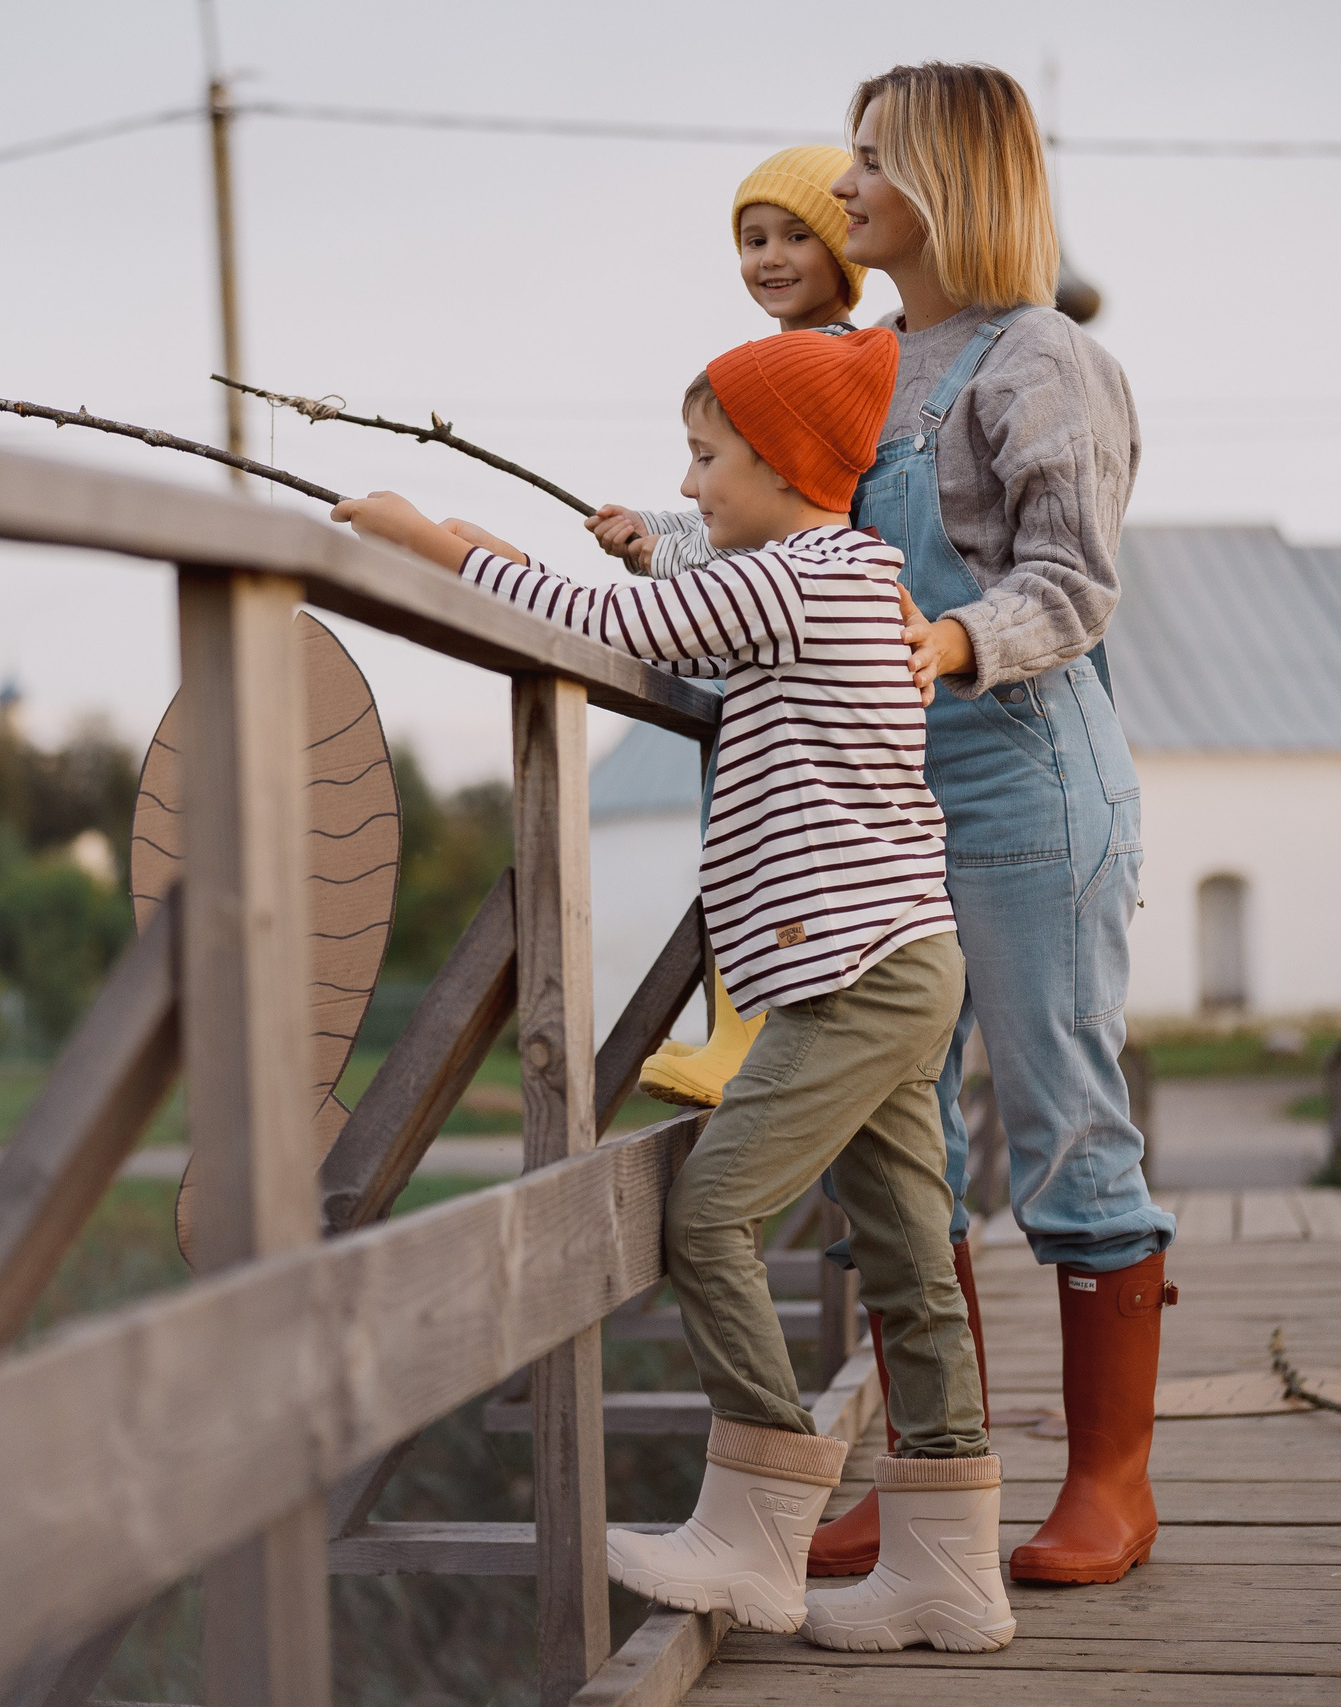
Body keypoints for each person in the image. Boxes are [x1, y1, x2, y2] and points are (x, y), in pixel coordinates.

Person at [333, 328, 1014, 1653]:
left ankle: (756, 1525)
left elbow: (610, 622)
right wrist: (509, 549)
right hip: (888, 964)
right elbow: (657, 606)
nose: (690, 484)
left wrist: (432, 543)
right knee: (908, 1263)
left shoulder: (794, 582)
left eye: (706, 457)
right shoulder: (851, 577)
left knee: (709, 1210)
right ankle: (952, 1570)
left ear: (781, 462)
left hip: (853, 978)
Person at [803, 61, 1179, 1592]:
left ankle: (1112, 1480)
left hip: (1027, 776)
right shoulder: (858, 365)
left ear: (949, 180)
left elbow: (1074, 586)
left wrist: (951, 643)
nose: (842, 187)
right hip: (891, 791)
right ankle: (933, 1473)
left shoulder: (1049, 361)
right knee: (898, 1135)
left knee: (1062, 1116)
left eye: (871, 158)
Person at [581, 144, 871, 1113]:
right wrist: (655, 533)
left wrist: (664, 553)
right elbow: (732, 515)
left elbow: (777, 535)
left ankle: (747, 1043)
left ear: (847, 252)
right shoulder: (778, 371)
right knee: (738, 850)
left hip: (790, 663)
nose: (770, 256)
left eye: (797, 235)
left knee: (758, 855)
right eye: (753, 239)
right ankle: (736, 1036)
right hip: (770, 645)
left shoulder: (819, 375)